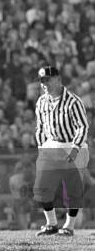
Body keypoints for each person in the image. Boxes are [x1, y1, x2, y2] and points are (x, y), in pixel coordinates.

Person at [34, 66, 89, 236]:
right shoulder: (41, 101)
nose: (45, 84)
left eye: (48, 80)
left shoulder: (73, 101)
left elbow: (82, 126)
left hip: (71, 145)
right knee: (41, 188)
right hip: (51, 145)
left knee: (71, 190)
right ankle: (51, 223)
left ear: (58, 79)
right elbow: (40, 127)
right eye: (42, 81)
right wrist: (41, 147)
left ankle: (69, 226)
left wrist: (74, 150)